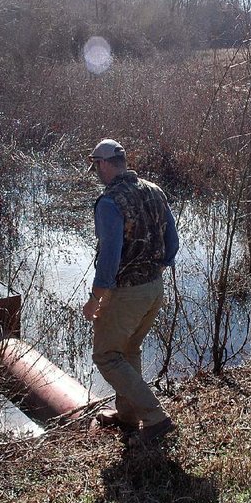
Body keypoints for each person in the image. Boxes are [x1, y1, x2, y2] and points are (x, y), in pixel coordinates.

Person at [82, 138, 179, 446]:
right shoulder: (154, 191)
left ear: (105, 164)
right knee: (128, 351)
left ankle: (155, 418)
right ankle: (128, 416)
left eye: (97, 164)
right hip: (154, 289)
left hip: (125, 292)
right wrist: (157, 267)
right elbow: (172, 241)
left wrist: (96, 299)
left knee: (106, 356)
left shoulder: (110, 202)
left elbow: (109, 256)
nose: (96, 170)